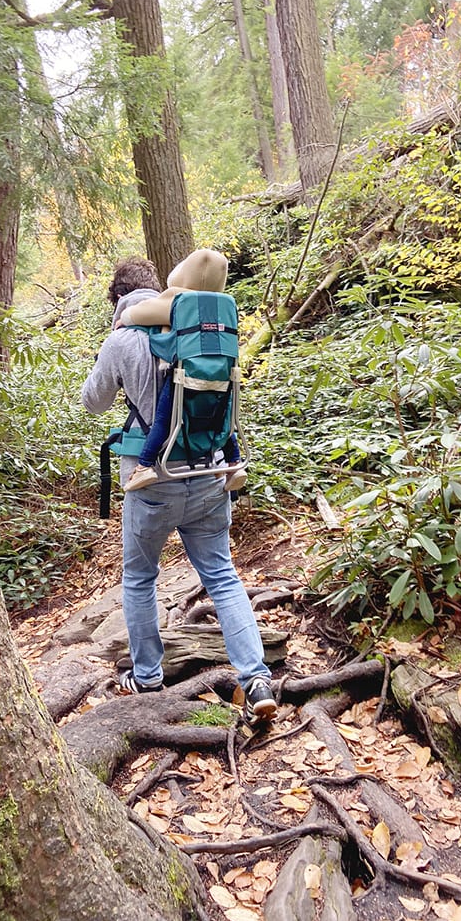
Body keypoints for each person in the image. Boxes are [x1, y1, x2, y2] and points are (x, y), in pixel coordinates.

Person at [81, 254, 277, 725]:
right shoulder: (207, 331)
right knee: (223, 576)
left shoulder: (122, 337)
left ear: (117, 297)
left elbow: (93, 403)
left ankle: (148, 675)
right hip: (210, 474)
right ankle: (256, 679)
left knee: (140, 578)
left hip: (152, 481)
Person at [116, 248, 246, 493]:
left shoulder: (181, 299)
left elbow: (141, 313)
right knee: (224, 417)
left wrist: (125, 317)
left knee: (164, 419)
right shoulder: (223, 306)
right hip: (223, 376)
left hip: (185, 374)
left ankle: (144, 466)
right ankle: (234, 463)